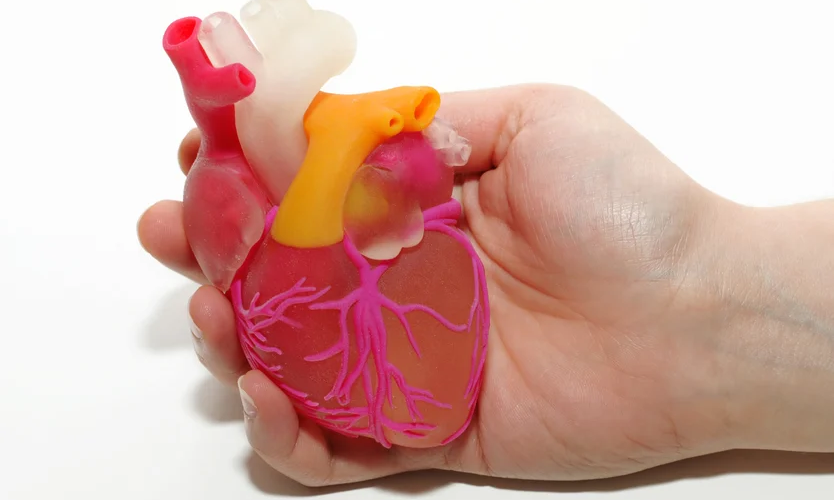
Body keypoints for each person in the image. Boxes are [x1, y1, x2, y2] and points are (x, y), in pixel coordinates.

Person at [137, 84, 834, 487]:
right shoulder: (330, 269)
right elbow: (307, 278)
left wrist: (342, 137)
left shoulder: (414, 245)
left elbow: (312, 266)